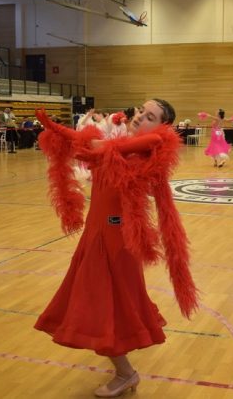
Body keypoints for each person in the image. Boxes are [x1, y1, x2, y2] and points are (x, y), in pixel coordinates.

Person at [33, 99, 198, 398]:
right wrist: (54, 128)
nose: (140, 117)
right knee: (103, 305)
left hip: (115, 240)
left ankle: (125, 373)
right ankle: (123, 369)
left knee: (104, 307)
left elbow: (100, 148)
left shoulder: (152, 145)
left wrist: (88, 145)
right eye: (141, 111)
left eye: (150, 116)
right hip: (97, 233)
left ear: (162, 126)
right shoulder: (122, 143)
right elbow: (91, 143)